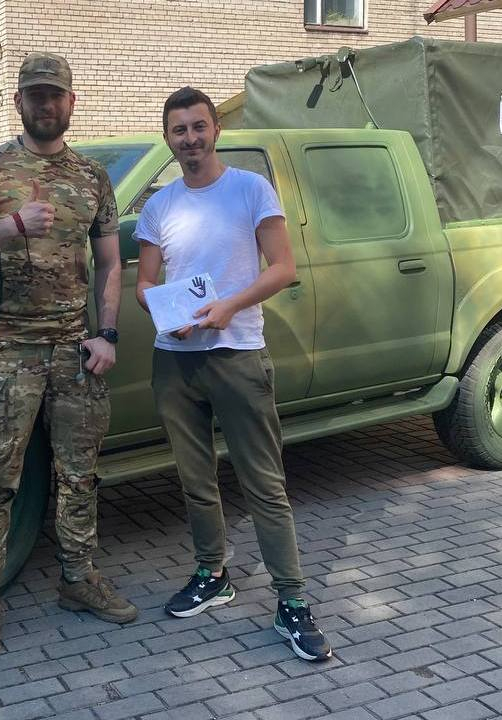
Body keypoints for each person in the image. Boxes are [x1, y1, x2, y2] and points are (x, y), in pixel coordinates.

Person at [0, 51, 138, 657]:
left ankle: (78, 578)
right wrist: (11, 226)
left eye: (55, 95)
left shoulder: (92, 176)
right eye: (35, 95)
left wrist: (107, 334)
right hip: (8, 351)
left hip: (74, 350)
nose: (46, 104)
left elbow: (109, 263)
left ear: (70, 102)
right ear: (18, 101)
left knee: (80, 474)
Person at [134, 86, 331, 662]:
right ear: (167, 139)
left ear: (215, 130)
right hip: (175, 360)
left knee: (264, 484)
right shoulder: (159, 205)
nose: (190, 138)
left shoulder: (250, 189)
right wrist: (161, 310)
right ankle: (212, 573)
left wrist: (229, 307)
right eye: (179, 130)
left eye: (199, 126)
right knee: (195, 480)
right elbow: (145, 282)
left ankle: (291, 601)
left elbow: (284, 268)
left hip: (238, 354)